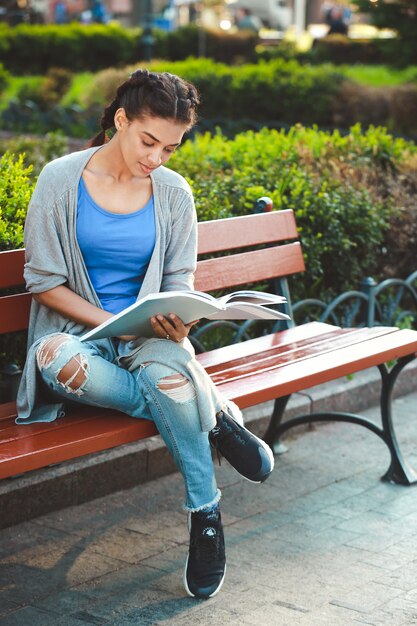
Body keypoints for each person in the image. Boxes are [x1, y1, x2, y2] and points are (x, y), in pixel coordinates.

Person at [16, 69, 274, 600]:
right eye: (148, 140)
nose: (157, 157)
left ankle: (205, 514)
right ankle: (215, 415)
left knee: (166, 369)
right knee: (53, 358)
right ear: (121, 120)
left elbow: (179, 281)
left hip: (151, 341)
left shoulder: (175, 194)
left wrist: (177, 319)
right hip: (79, 336)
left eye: (171, 147)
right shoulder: (59, 179)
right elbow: (43, 283)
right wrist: (106, 324)